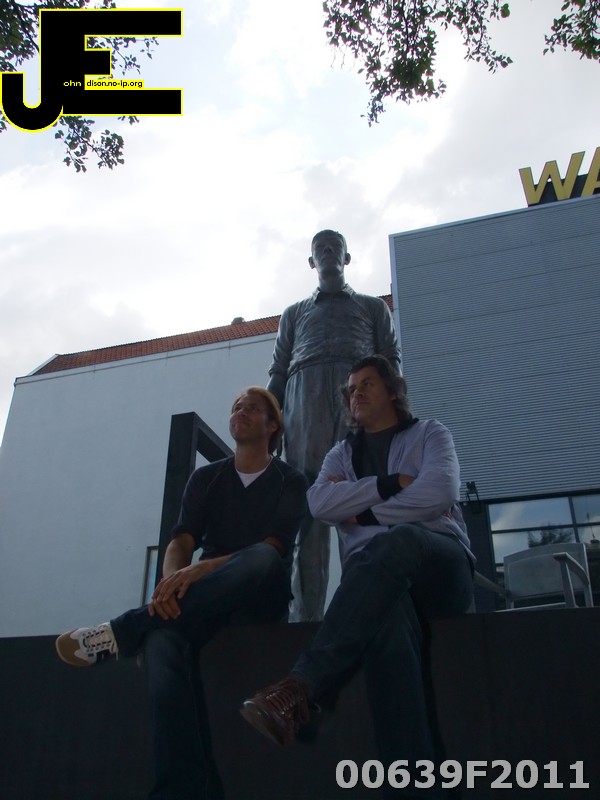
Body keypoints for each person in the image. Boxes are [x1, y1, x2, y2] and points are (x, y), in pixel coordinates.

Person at [55, 387, 308, 800]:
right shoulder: (206, 479)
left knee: (262, 557)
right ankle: (182, 790)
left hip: (260, 597)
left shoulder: (290, 480)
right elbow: (182, 539)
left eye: (252, 408)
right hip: (205, 603)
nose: (240, 412)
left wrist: (202, 568)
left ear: (273, 425)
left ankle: (124, 629)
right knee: (160, 642)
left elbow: (276, 547)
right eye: (236, 407)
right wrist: (169, 587)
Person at [242, 356, 474, 799]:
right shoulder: (341, 454)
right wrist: (390, 484)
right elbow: (319, 504)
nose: (357, 393)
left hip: (440, 568)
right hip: (381, 588)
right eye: (351, 389)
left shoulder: (430, 434)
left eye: (367, 384)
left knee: (399, 540)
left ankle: (303, 685)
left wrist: (362, 513)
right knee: (386, 622)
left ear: (392, 391)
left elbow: (438, 493)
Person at [268, 230, 401, 621]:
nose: (328, 253)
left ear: (347, 257)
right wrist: (271, 420)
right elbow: (279, 369)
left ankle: (362, 615)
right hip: (303, 400)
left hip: (356, 395)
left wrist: (394, 416)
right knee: (309, 507)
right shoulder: (294, 313)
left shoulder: (372, 307)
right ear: (312, 262)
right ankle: (307, 618)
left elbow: (391, 360)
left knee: (359, 502)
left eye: (335, 248)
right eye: (320, 249)